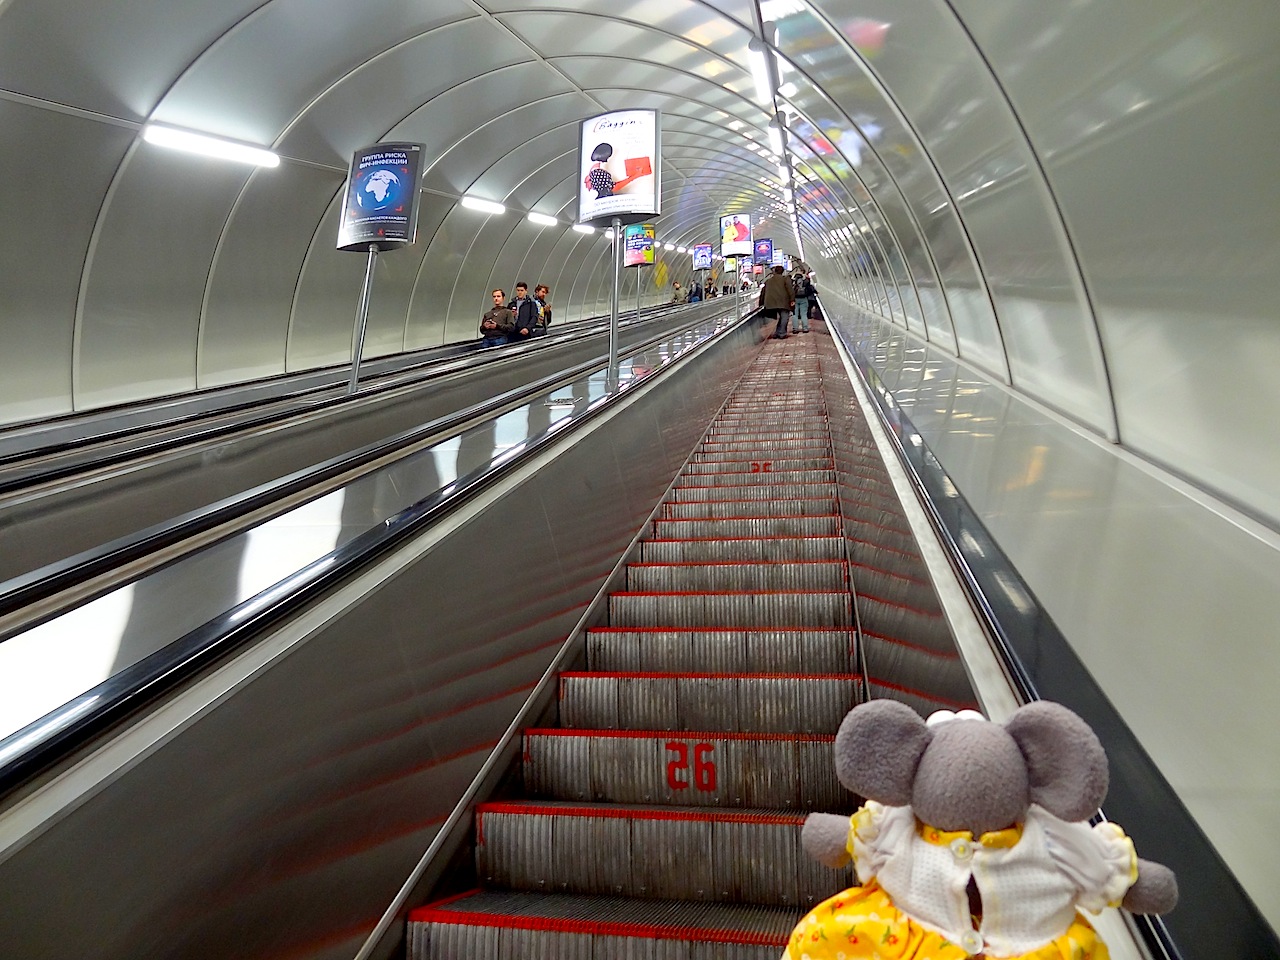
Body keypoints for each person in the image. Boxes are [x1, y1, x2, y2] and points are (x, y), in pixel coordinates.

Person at [759, 264, 795, 338]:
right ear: (782, 271)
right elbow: (790, 290)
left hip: (771, 303)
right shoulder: (785, 279)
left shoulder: (768, 281)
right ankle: (781, 333)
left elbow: (763, 292)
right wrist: (792, 299)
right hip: (783, 301)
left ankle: (778, 332)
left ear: (774, 271)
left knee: (781, 317)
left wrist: (761, 303)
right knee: (785, 317)